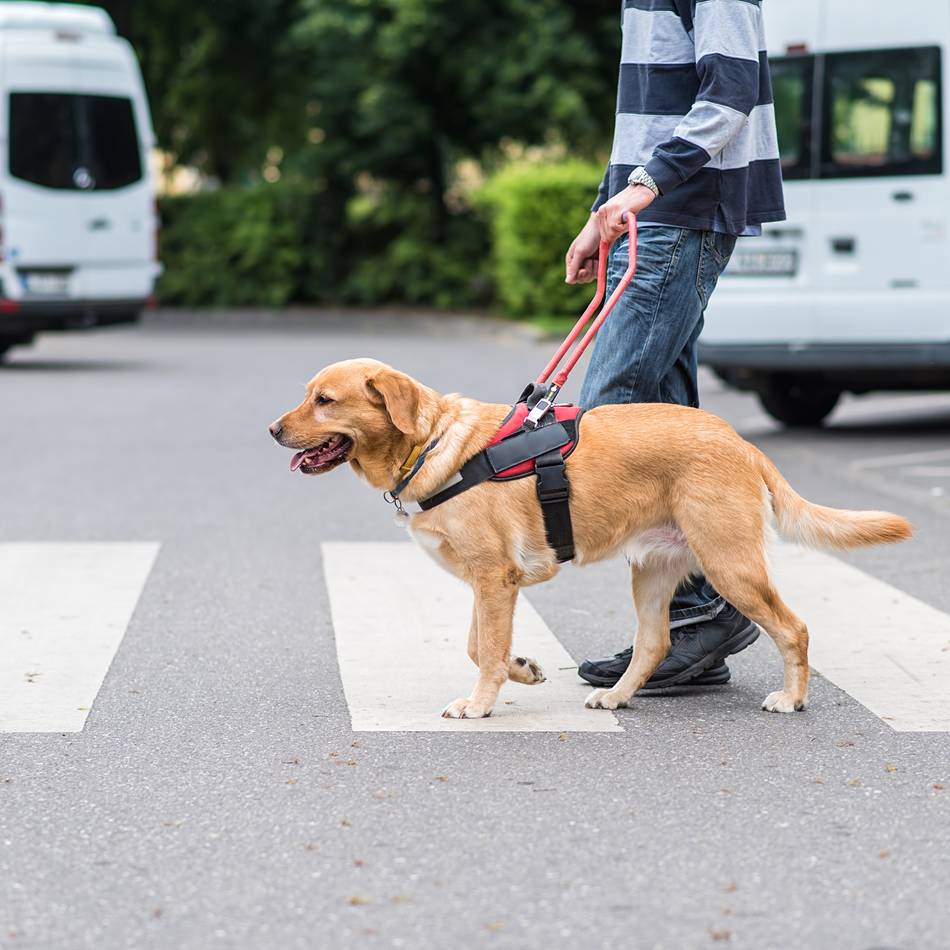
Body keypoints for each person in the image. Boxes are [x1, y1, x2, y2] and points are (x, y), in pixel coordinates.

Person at [565, 0, 785, 690]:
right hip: (653, 213)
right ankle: (693, 623)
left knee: (609, 418)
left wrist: (644, 189)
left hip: (678, 212)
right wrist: (603, 212)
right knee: (666, 414)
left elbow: (732, 91)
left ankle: (700, 616)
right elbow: (643, 121)